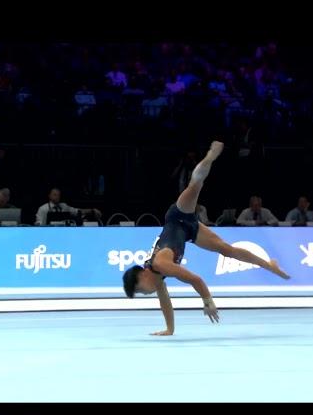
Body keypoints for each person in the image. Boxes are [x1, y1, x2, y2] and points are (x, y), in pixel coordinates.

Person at [122, 141, 290, 336]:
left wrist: (208, 301)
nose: (145, 293)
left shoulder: (160, 265)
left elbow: (196, 279)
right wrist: (170, 329)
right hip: (189, 232)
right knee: (228, 250)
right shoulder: (157, 277)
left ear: (142, 276)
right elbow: (165, 302)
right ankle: (270, 265)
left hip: (177, 216)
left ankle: (210, 156)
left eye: (141, 290)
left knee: (195, 186)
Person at [35, 188, 102, 225]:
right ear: (49, 196)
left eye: (58, 195)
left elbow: (77, 211)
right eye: (55, 195)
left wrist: (92, 210)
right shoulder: (43, 208)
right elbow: (39, 224)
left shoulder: (64, 206)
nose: (57, 197)